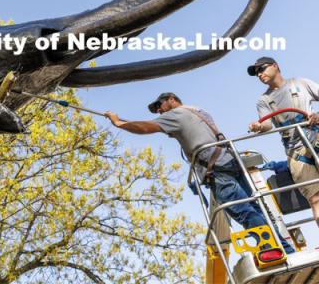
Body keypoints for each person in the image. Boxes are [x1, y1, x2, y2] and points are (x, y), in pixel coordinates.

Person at [104, 92, 295, 254]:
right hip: (230, 161)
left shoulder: (175, 114)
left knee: (243, 211)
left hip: (217, 171)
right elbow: (149, 123)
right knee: (256, 208)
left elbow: (145, 127)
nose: (159, 111)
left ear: (171, 99)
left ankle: (274, 250)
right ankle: (286, 249)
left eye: (159, 106)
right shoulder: (197, 111)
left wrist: (118, 123)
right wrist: (124, 119)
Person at [248, 56, 319, 226]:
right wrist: (258, 127)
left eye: (262, 69)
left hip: (316, 138)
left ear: (275, 66)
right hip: (296, 153)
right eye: (256, 72)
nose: (259, 74)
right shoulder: (264, 101)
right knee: (315, 199)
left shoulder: (300, 83)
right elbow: (267, 125)